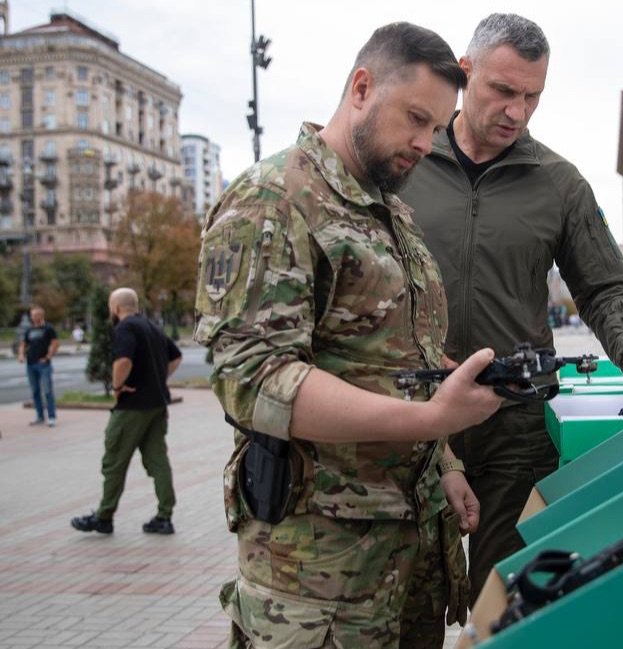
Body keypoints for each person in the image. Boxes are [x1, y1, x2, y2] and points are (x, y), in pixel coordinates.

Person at [193, 23, 503, 649]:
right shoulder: (273, 201)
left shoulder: (392, 213)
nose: (425, 143)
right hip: (319, 580)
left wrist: (442, 457)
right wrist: (429, 422)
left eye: (437, 129)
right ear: (361, 88)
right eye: (415, 118)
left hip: (407, 560)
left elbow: (399, 361)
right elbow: (254, 381)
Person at [399, 13, 623, 604]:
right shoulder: (405, 163)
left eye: (532, 96)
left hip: (517, 427)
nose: (517, 111)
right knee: (409, 607)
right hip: (412, 420)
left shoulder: (559, 183)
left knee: (507, 600)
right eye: (503, 91)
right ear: (465, 72)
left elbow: (605, 287)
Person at [71, 288, 182, 535]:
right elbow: (175, 357)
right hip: (157, 405)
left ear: (115, 307)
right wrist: (157, 380)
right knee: (158, 460)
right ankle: (165, 516)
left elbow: (123, 361)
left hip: (132, 406)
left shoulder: (126, 328)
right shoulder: (151, 326)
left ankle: (104, 516)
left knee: (114, 461)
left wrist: (117, 386)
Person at [17, 305, 59, 427]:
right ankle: (40, 416)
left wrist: (48, 357)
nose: (34, 317)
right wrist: (21, 355)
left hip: (44, 364)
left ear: (42, 315)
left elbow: (55, 343)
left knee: (47, 391)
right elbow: (23, 344)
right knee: (35, 391)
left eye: (37, 315)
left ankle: (51, 417)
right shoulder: (29, 330)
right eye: (33, 315)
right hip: (31, 364)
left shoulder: (48, 328)